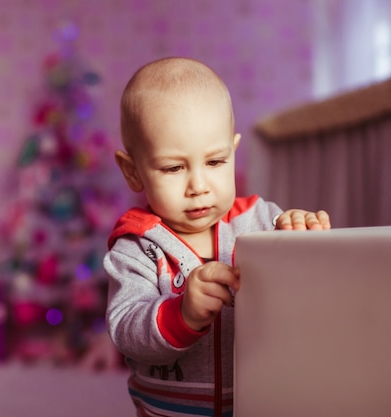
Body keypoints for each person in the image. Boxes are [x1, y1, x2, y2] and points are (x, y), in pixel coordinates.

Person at [103, 57, 331, 417]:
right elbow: (126, 328)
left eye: (215, 162)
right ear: (133, 172)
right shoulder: (135, 248)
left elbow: (308, 297)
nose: (199, 186)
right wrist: (182, 313)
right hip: (170, 411)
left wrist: (302, 237)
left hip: (262, 401)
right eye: (174, 168)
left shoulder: (263, 220)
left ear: (233, 151)